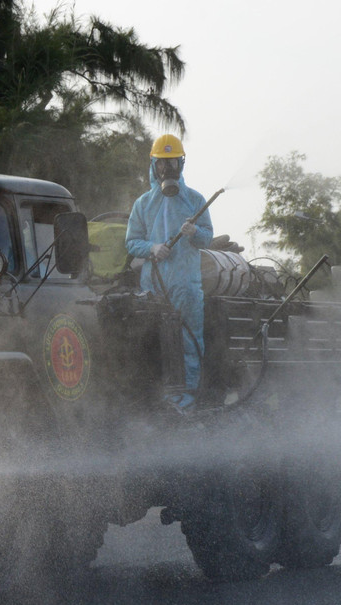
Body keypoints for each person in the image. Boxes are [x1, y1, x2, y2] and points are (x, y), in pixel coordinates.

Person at [125, 133, 214, 410]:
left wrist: (194, 231)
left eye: (172, 163)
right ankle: (156, 403)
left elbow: (207, 238)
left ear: (181, 164)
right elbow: (131, 242)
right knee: (155, 342)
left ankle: (186, 403)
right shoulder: (143, 204)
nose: (167, 170)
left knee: (188, 342)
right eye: (162, 164)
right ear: (153, 165)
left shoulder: (195, 200)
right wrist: (152, 249)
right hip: (153, 288)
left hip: (186, 285)